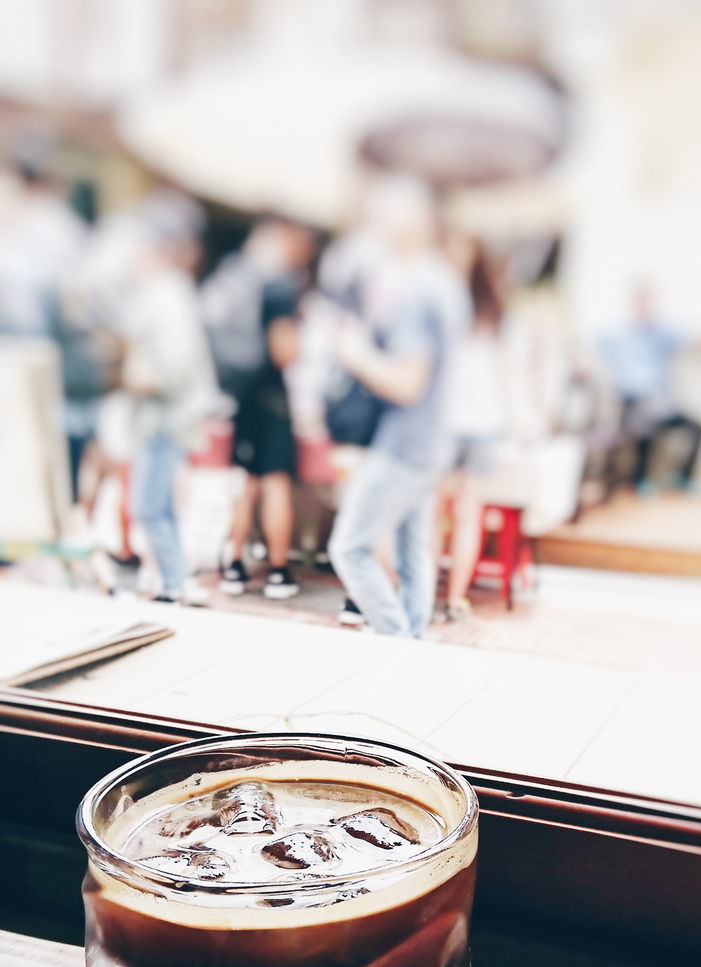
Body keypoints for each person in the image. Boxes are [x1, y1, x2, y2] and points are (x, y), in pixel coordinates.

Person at [328, 177, 469, 638]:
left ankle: (397, 641)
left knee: (349, 549)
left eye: (385, 218)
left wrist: (355, 353)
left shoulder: (415, 291)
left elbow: (407, 384)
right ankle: (412, 643)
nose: (380, 229)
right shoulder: (445, 282)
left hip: (403, 442)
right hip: (430, 441)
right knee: (413, 555)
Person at [202, 217, 315, 600]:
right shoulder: (279, 287)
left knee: (247, 479)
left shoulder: (241, 279)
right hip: (273, 396)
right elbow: (284, 351)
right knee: (276, 480)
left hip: (243, 392)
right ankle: (279, 572)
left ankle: (234, 565)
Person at [123, 206, 220, 605]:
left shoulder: (167, 293)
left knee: (149, 506)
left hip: (164, 417)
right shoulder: (169, 291)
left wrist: (141, 378)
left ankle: (177, 581)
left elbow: (175, 365)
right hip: (164, 417)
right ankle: (172, 580)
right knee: (157, 505)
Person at [438, 234, 506, 621]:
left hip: (445, 423)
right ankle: (455, 599)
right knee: (468, 514)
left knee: (434, 514)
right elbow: (503, 372)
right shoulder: (492, 309)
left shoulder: (439, 301)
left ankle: (428, 592)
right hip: (484, 422)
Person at [598, 285, 701, 492]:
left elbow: (690, 338)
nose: (645, 308)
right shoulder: (618, 334)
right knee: (645, 423)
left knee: (698, 427)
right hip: (632, 401)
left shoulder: (662, 333)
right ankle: (640, 480)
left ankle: (683, 478)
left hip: (662, 403)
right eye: (641, 303)